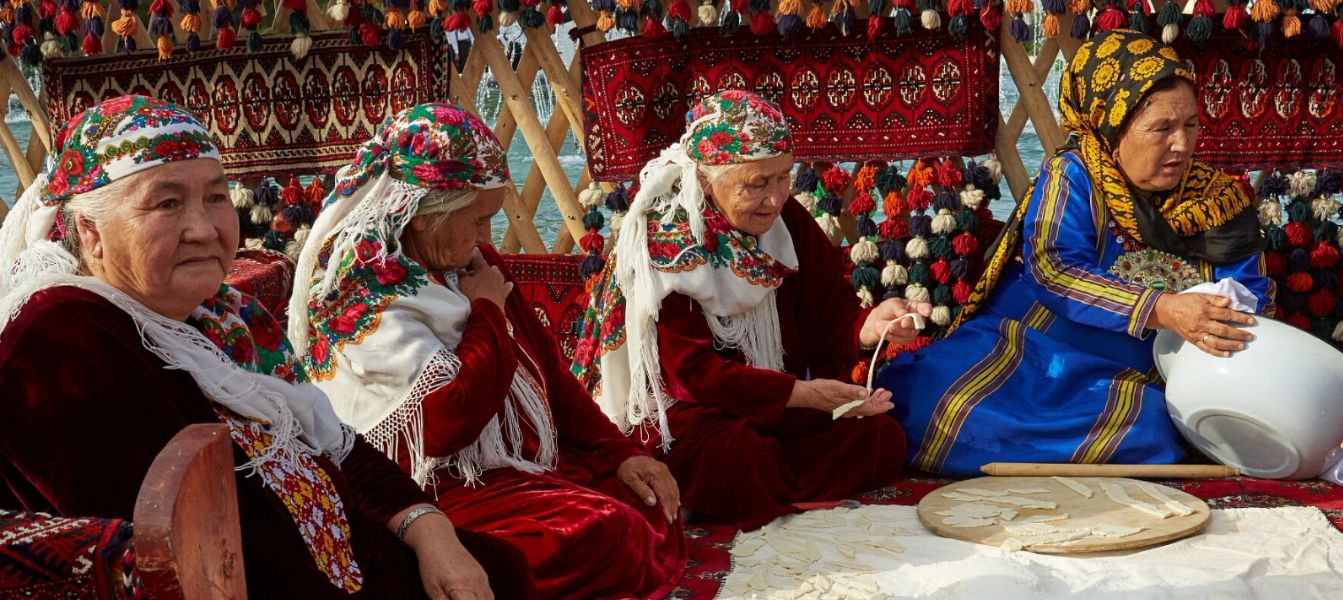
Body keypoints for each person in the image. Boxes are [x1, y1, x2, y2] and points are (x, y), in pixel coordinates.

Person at [0, 95, 534, 599]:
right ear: (91, 234)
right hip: (273, 580)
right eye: (167, 203)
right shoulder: (63, 338)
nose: (204, 228)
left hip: (334, 556)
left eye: (215, 197)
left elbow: (337, 443)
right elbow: (199, 551)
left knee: (499, 564)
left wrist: (429, 529)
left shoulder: (220, 316)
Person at [288, 103, 687, 600]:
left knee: (642, 499)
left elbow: (548, 371)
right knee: (600, 534)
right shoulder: (362, 295)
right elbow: (447, 424)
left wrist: (620, 453)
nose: (487, 237)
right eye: (478, 220)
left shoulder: (472, 263)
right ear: (422, 216)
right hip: (431, 492)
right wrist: (486, 313)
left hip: (511, 467)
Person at [876, 30, 1275, 477]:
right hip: (1028, 349)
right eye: (1161, 128)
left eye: (1191, 125)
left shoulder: (1220, 200)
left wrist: (1217, 315)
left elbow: (1253, 294)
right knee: (932, 398)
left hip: (1133, 376)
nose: (1181, 144)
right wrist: (1162, 308)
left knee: (1159, 427)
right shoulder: (1075, 175)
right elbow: (1054, 268)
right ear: (1111, 125)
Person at [573, 90, 924, 531]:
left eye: (783, 178)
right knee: (739, 458)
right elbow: (691, 375)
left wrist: (867, 327)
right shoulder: (666, 243)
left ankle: (762, 493)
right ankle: (764, 489)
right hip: (687, 413)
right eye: (757, 184)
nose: (776, 198)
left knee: (881, 438)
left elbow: (829, 311)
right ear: (705, 180)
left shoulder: (786, 221)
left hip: (772, 404)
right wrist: (798, 395)